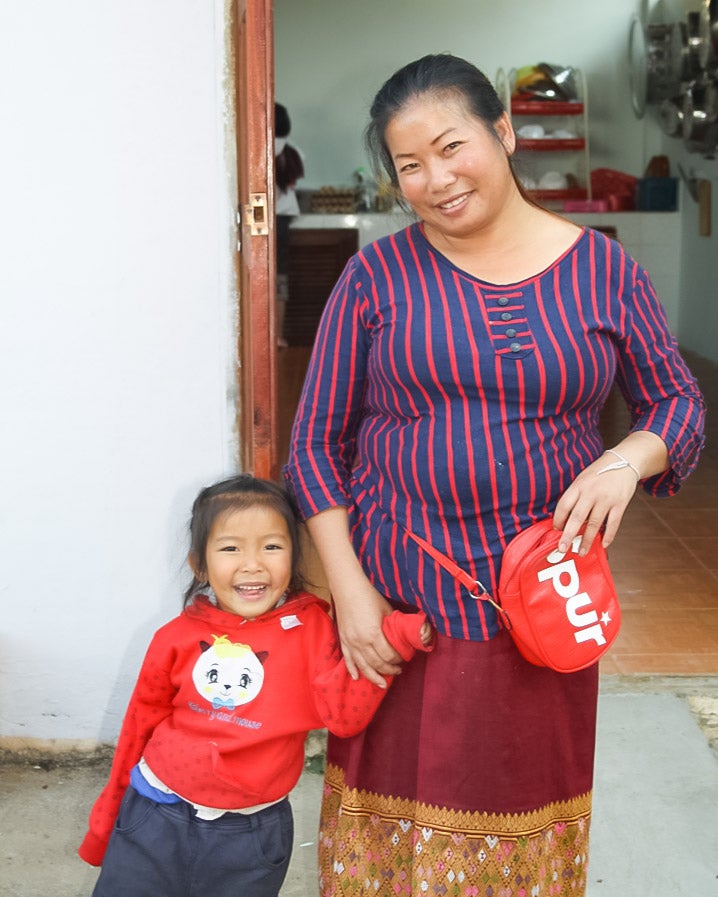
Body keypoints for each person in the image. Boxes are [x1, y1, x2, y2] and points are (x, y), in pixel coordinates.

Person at [283, 53, 706, 896]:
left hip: (540, 605)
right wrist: (352, 593)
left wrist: (627, 460)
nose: (435, 179)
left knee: (523, 823)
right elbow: (313, 445)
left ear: (503, 133)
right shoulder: (375, 277)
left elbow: (679, 405)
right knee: (393, 839)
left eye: (451, 147)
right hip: (401, 606)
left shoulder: (603, 272)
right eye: (409, 165)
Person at [78, 474, 432, 897]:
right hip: (155, 815)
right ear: (200, 565)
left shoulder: (312, 629)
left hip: (250, 836)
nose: (253, 564)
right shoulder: (173, 637)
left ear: (294, 557)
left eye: (272, 546)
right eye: (230, 548)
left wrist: (393, 637)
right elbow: (139, 724)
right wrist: (106, 823)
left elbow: (343, 715)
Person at [275, 102, 304, 348]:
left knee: (260, 276)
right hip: (283, 218)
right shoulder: (292, 151)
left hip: (264, 218)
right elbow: (294, 186)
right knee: (279, 277)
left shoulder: (257, 146)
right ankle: (278, 335)